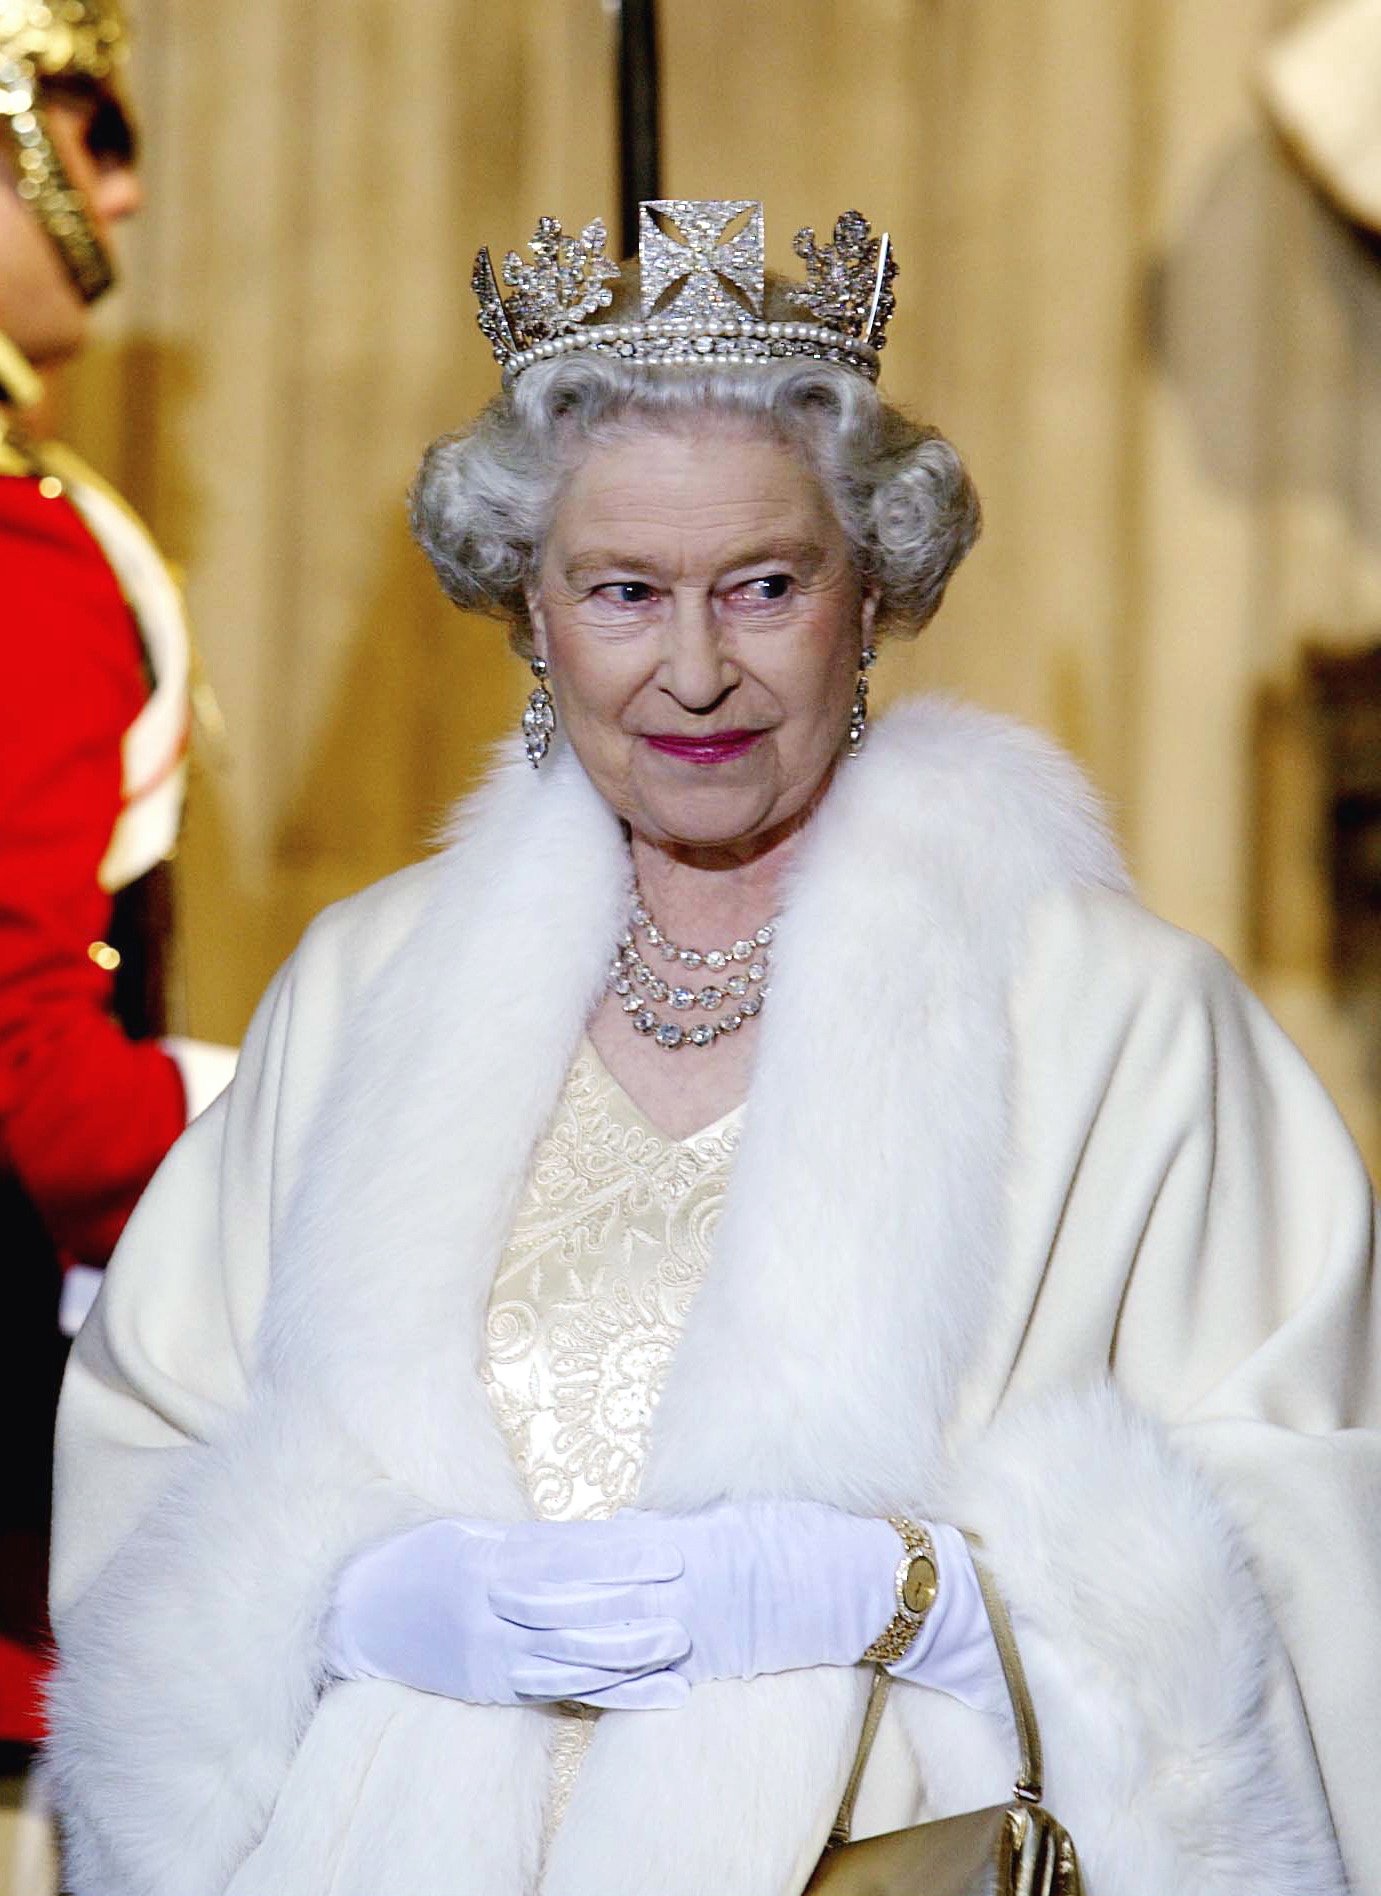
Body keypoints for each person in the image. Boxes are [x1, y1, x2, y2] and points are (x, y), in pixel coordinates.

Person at [45, 200, 1376, 1896]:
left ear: (871, 592)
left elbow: (1322, 1533)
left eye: (763, 586)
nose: (693, 672)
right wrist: (331, 1598)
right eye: (622, 592)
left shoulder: (1119, 1022)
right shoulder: (363, 990)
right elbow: (155, 1448)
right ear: (529, 616)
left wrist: (945, 1610)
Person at [0, 0, 234, 1830]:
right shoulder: (27, 562)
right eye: (88, 129)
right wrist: (285, 1129)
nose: (126, 192)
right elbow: (33, 1086)